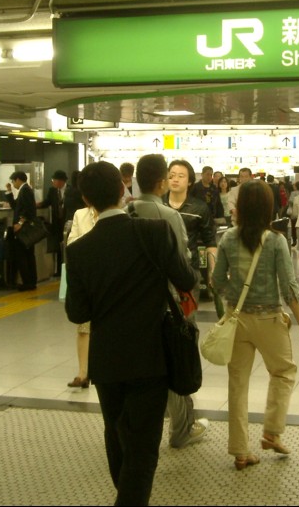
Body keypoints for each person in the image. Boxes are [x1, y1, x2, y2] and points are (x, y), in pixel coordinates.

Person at [65, 161, 199, 506]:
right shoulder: (154, 232)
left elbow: (76, 312)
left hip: (107, 361)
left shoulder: (78, 251)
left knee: (117, 435)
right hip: (150, 357)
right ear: (124, 190)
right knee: (143, 447)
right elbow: (187, 281)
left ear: (86, 198)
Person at [212, 180, 299, 470]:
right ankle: (271, 432)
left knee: (237, 384)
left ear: (241, 206)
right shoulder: (276, 240)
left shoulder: (228, 239)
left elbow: (218, 282)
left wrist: (233, 297)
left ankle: (240, 451)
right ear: (269, 207)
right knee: (283, 372)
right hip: (269, 319)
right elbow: (289, 287)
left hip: (238, 320)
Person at [127, 154, 209, 449]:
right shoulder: (169, 216)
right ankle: (181, 430)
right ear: (162, 181)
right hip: (169, 303)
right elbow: (182, 263)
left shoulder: (126, 212)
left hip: (134, 303)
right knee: (175, 363)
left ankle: (141, 432)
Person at [164, 159, 218, 295]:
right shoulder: (158, 204)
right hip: (160, 272)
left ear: (189, 182)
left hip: (189, 270)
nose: (175, 179)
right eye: (172, 175)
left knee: (187, 315)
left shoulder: (199, 208)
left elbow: (210, 241)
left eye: (181, 176)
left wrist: (212, 270)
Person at [65, 205, 98, 389]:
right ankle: (83, 373)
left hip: (108, 280)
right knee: (83, 327)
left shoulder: (118, 212)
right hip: (87, 280)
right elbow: (72, 243)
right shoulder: (80, 214)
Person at [6, 171, 38, 290]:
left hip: (24, 229)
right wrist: (9, 192)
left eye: (13, 181)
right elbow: (16, 206)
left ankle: (27, 282)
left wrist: (20, 223)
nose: (13, 184)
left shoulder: (25, 191)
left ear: (18, 179)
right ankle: (31, 281)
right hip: (27, 228)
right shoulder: (25, 190)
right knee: (28, 255)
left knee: (23, 256)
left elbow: (27, 210)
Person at [37, 170, 68, 276]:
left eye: (54, 180)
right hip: (57, 223)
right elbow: (47, 202)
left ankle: (68, 268)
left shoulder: (71, 190)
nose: (53, 182)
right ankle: (59, 270)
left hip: (67, 223)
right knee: (58, 247)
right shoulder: (52, 191)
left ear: (61, 181)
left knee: (68, 246)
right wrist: (37, 205)